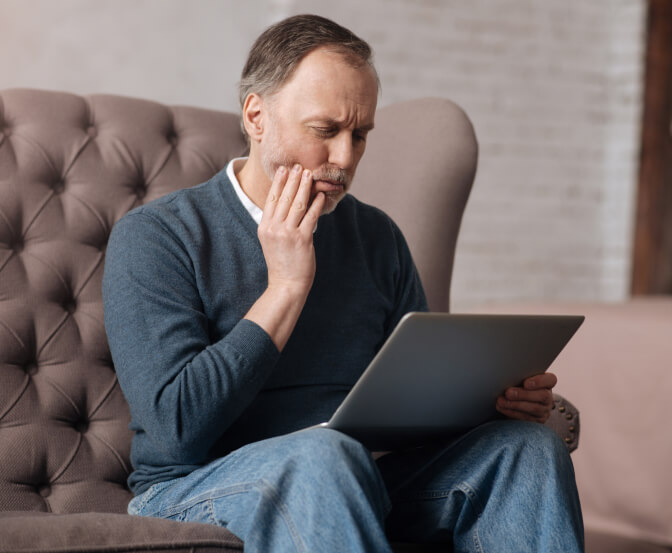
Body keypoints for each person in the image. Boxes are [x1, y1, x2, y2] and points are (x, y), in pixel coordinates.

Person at [102, 14, 584, 553]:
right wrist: (285, 285)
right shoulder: (157, 237)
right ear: (256, 116)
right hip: (193, 488)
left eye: (360, 135)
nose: (345, 159)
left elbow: (413, 403)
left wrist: (493, 404)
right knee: (322, 455)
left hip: (356, 475)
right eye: (325, 131)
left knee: (526, 447)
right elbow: (176, 428)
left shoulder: (376, 236)